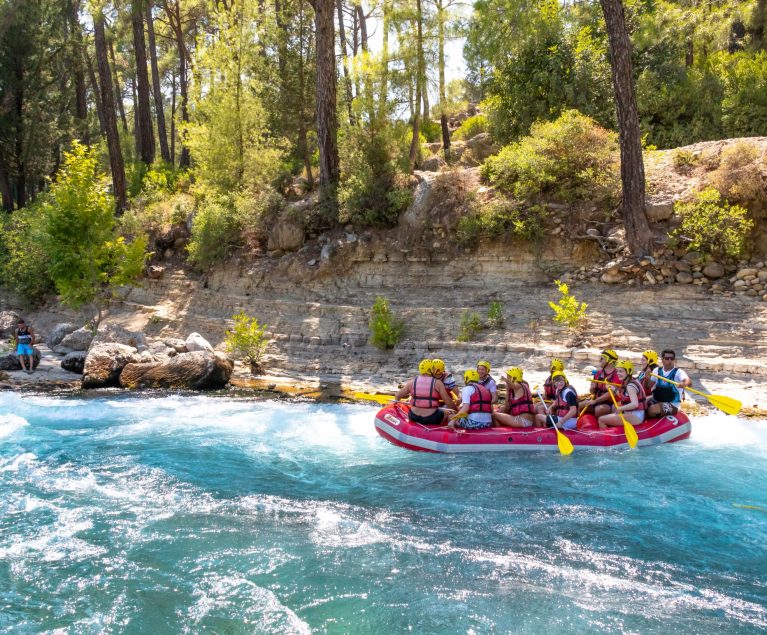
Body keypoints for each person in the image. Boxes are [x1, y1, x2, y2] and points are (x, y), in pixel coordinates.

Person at [396, 359, 457, 424]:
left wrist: (397, 407)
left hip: (413, 416)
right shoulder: (437, 383)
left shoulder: (411, 382)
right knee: (449, 413)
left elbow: (398, 395)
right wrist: (457, 411)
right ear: (430, 370)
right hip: (432, 417)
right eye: (433, 368)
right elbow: (448, 402)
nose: (434, 370)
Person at [598, 359, 647, 429]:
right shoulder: (628, 381)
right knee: (613, 408)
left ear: (628, 372)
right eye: (617, 371)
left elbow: (635, 404)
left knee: (601, 419)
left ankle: (605, 438)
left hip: (636, 416)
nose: (618, 373)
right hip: (633, 413)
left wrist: (621, 408)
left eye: (621, 371)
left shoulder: (630, 386)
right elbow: (624, 396)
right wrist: (613, 388)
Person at [646, 349, 692, 418]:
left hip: (672, 404)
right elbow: (649, 386)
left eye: (672, 359)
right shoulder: (657, 371)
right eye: (667, 358)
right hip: (657, 400)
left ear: (674, 360)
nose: (670, 361)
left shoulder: (678, 372)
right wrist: (648, 377)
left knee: (652, 410)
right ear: (662, 360)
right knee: (641, 405)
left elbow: (688, 381)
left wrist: (684, 384)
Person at [582, 349, 619, 417]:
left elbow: (611, 394)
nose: (600, 360)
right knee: (579, 405)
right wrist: (592, 388)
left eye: (602, 359)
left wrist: (595, 401)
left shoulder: (617, 375)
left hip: (610, 403)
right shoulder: (598, 373)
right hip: (596, 400)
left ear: (609, 361)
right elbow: (592, 392)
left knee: (599, 409)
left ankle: (601, 423)